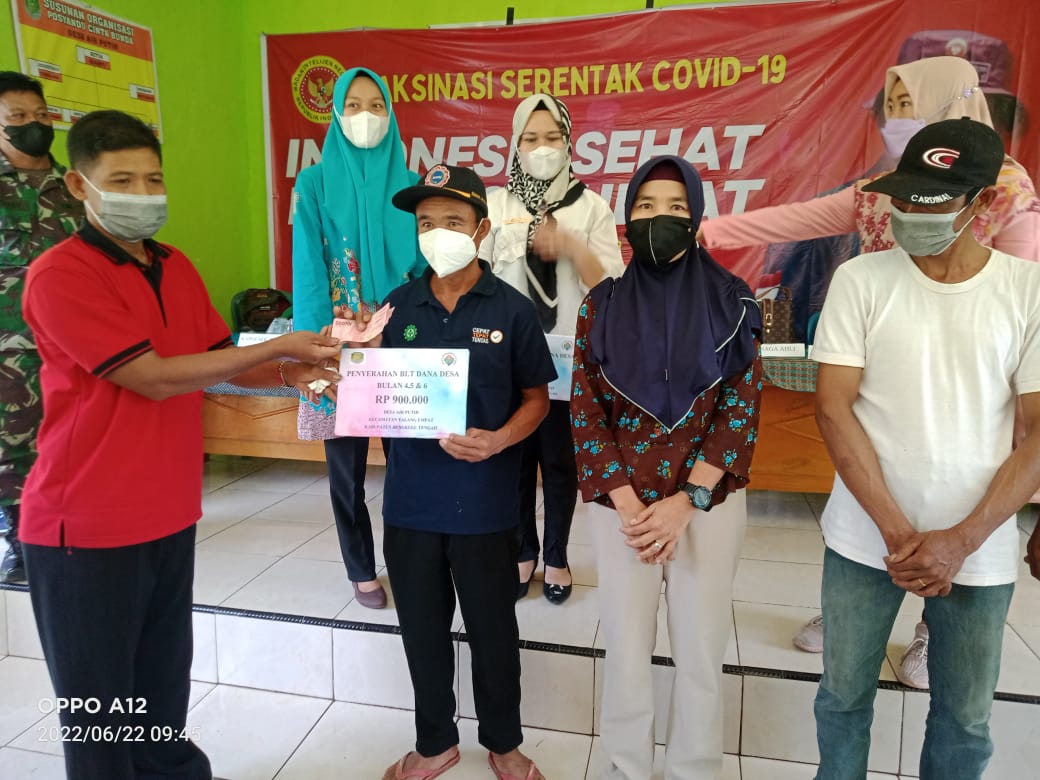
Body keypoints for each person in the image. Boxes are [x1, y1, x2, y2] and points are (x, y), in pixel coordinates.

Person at [20, 109, 341, 780]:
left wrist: (293, 372)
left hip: (167, 513)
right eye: (122, 181)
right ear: (79, 186)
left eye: (154, 179)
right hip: (86, 525)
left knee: (161, 692)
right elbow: (153, 377)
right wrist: (277, 344)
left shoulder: (174, 265)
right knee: (102, 717)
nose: (143, 194)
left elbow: (219, 362)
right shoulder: (61, 274)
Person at [702, 56, 1040, 684]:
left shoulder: (1008, 200)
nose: (897, 119)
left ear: (950, 105)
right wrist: (713, 230)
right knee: (864, 510)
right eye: (892, 107)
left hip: (968, 404)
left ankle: (930, 630)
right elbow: (803, 217)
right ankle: (852, 609)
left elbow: (1022, 327)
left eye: (910, 105)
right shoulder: (884, 191)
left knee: (953, 523)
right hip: (886, 380)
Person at [810, 118, 1040, 780]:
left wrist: (961, 541)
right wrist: (897, 533)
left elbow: (1037, 430)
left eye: (932, 202)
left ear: (983, 202)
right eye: (905, 197)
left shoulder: (1025, 291)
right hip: (864, 538)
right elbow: (833, 408)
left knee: (963, 719)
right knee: (842, 699)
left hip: (979, 548)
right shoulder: (861, 280)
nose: (910, 212)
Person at [337, 164, 554, 780]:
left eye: (452, 221)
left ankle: (505, 744)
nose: (437, 233)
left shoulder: (512, 310)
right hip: (411, 503)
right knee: (422, 632)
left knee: (494, 633)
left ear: (481, 230)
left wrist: (498, 440)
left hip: (485, 505)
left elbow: (537, 400)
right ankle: (435, 742)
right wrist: (356, 352)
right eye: (426, 222)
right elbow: (367, 388)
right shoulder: (396, 307)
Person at [572, 155, 762, 780]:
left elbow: (740, 410)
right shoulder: (600, 306)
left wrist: (687, 502)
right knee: (625, 648)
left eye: (677, 207)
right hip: (622, 510)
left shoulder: (734, 301)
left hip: (706, 507)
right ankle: (624, 766)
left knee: (701, 650)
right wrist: (629, 506)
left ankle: (694, 769)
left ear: (698, 217)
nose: (661, 218)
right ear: (627, 219)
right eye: (646, 206)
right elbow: (586, 412)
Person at [480, 93, 624, 603]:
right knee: (515, 462)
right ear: (515, 144)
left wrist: (572, 246)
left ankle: (557, 556)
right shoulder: (496, 205)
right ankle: (523, 551)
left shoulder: (591, 207)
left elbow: (611, 289)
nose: (542, 148)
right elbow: (477, 280)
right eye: (530, 138)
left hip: (567, 363)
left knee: (561, 465)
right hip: (506, 362)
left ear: (568, 142)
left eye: (552, 137)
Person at [292, 67, 425, 609]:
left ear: (390, 113)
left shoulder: (411, 183)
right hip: (338, 345)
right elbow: (308, 267)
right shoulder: (314, 184)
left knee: (409, 464)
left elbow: (424, 268)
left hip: (401, 340)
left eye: (376, 105)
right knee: (345, 472)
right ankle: (359, 567)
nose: (365, 116)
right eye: (353, 105)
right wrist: (317, 348)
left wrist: (415, 333)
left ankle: (410, 558)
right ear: (336, 113)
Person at [0, 70, 82, 584]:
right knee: (11, 444)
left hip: (75, 341)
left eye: (41, 114)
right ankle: (20, 539)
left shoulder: (76, 184)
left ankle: (73, 526)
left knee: (74, 435)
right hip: (8, 345)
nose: (33, 124)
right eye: (18, 117)